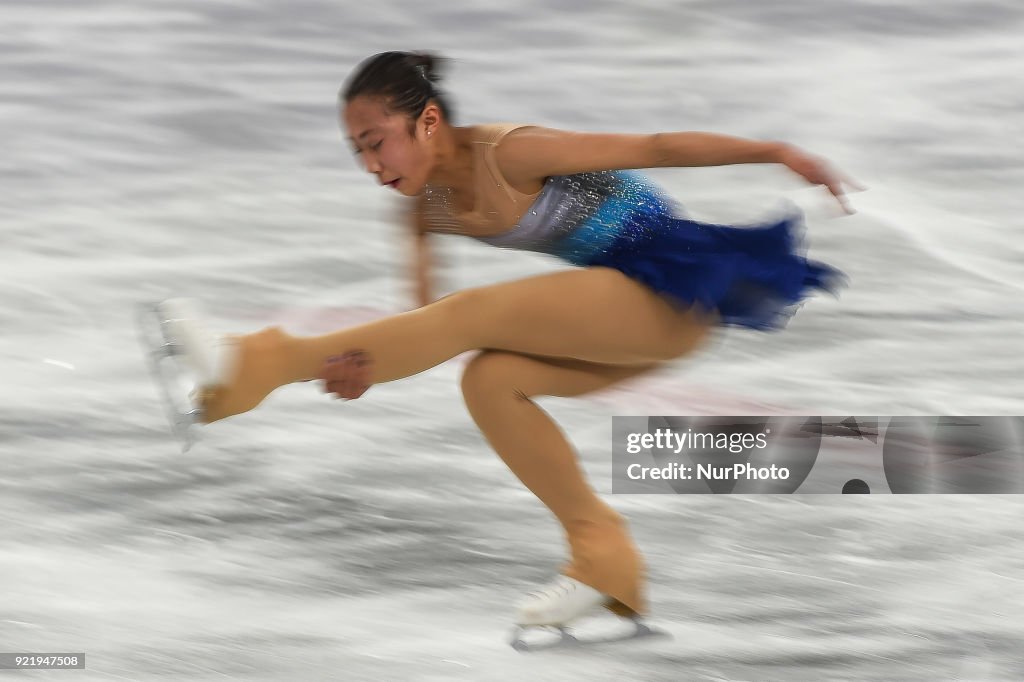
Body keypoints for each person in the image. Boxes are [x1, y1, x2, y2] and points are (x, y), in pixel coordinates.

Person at [179, 50, 858, 629]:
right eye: (356, 149)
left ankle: (256, 364)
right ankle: (605, 560)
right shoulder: (425, 210)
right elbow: (424, 325)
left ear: (428, 121)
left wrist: (777, 151)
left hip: (673, 288)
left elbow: (655, 147)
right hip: (630, 320)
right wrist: (359, 366)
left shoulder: (512, 152)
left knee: (479, 314)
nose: (368, 163)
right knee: (489, 379)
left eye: (377, 140)